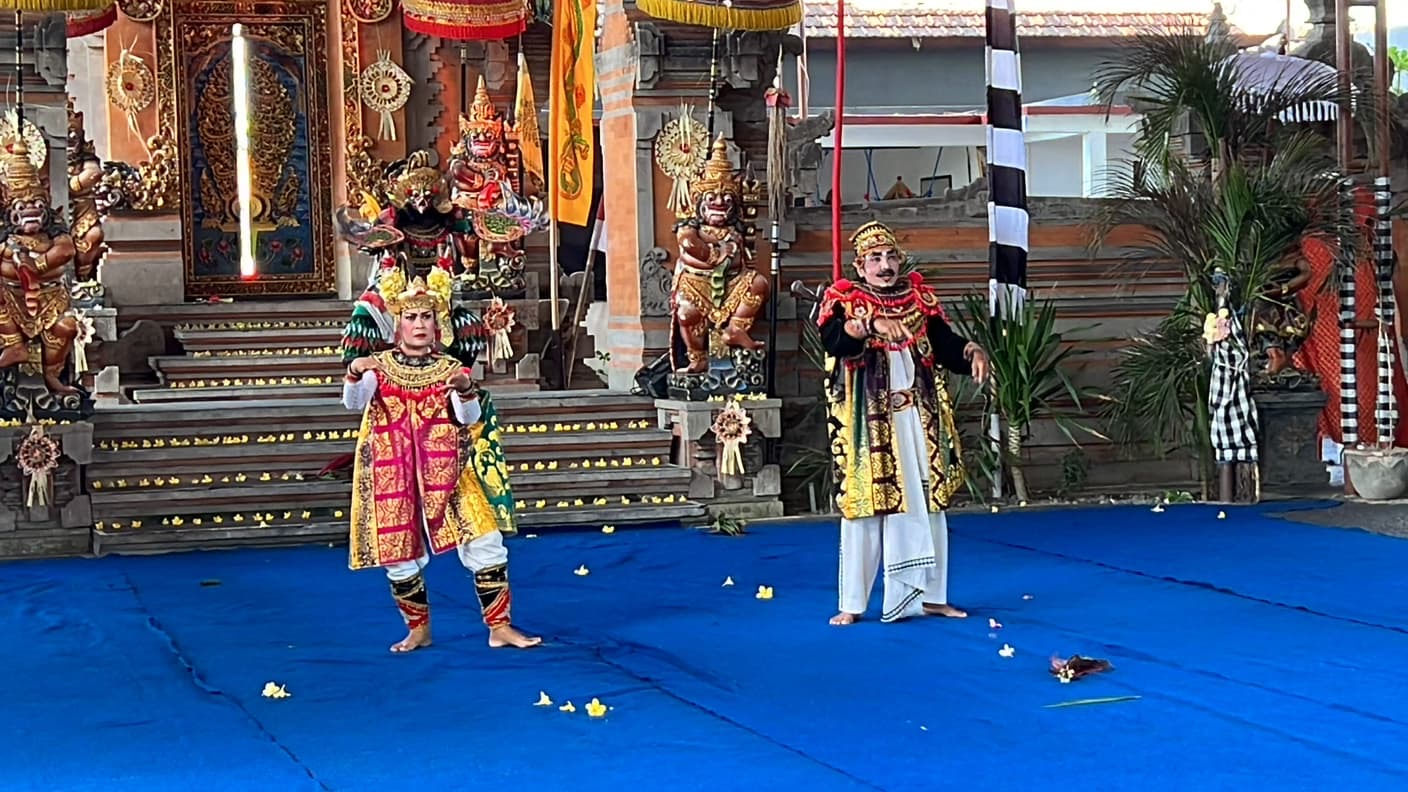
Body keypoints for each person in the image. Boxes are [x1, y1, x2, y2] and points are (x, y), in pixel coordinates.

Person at [341, 271, 540, 653]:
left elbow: (467, 419)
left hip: (449, 470)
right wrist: (354, 371)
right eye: (411, 317)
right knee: (399, 552)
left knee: (486, 539)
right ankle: (419, 630)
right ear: (398, 324)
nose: (419, 325)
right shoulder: (378, 367)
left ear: (437, 323)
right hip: (392, 471)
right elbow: (354, 403)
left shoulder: (451, 369)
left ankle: (499, 627)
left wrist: (465, 390)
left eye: (426, 317)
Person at [817, 221, 989, 626]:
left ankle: (932, 597)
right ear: (860, 266)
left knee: (929, 506)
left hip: (917, 417)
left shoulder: (918, 299)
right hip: (870, 424)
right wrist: (869, 324)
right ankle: (853, 603)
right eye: (875, 258)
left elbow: (944, 345)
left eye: (891, 256)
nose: (885, 265)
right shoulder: (845, 300)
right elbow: (835, 342)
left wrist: (971, 350)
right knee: (866, 511)